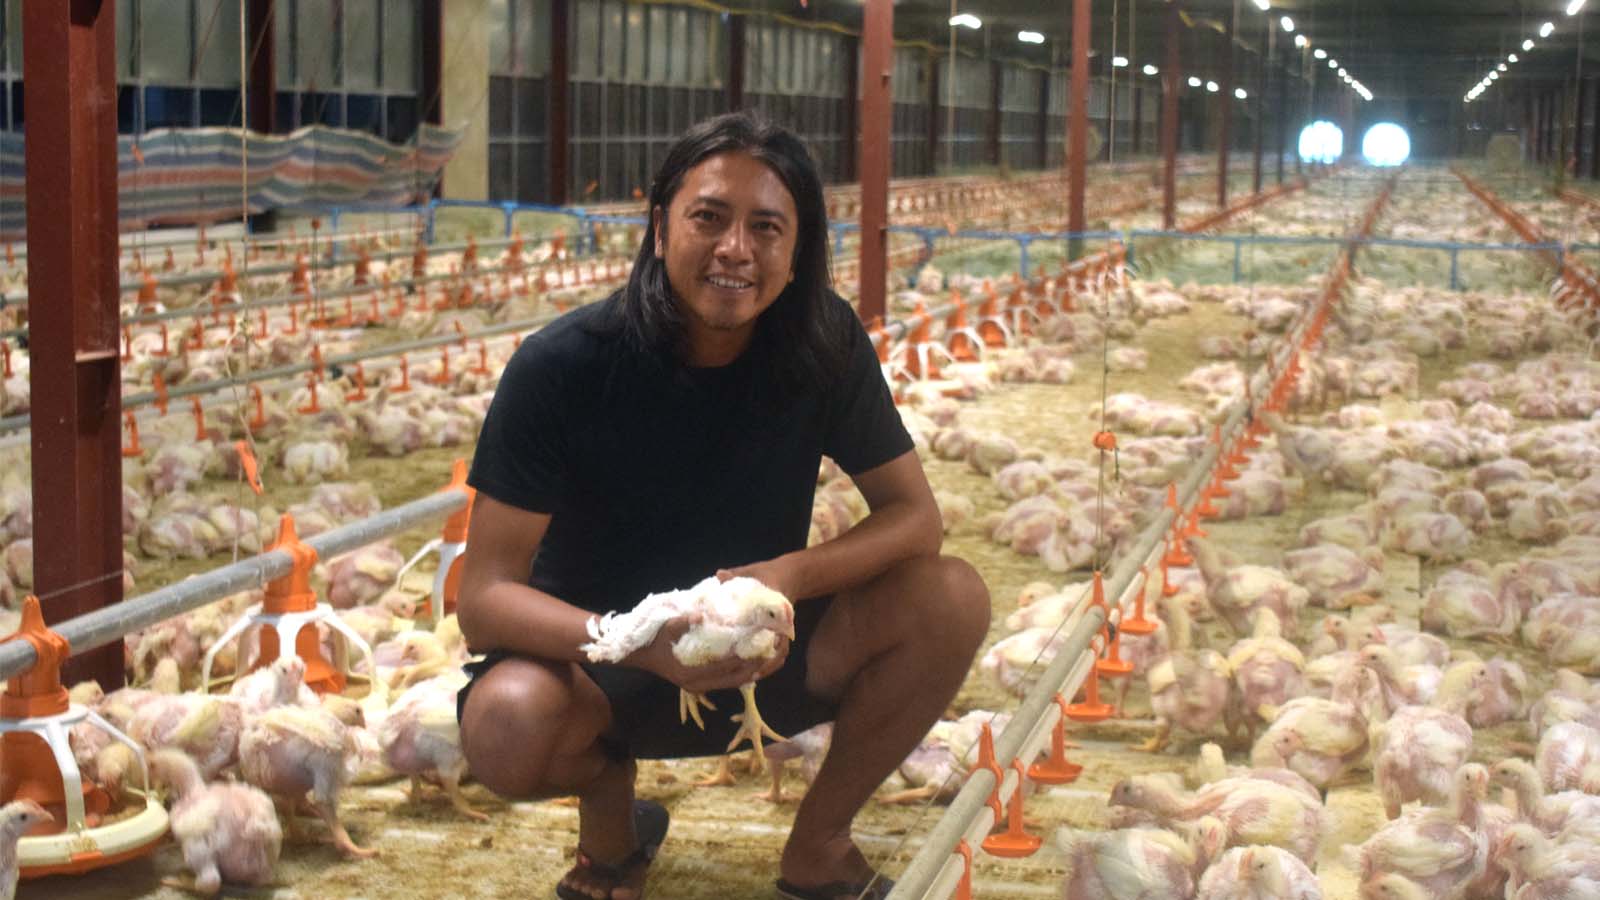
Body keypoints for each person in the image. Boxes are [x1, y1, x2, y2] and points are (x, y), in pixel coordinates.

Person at [456, 111, 990, 900]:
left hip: (758, 649)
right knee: (505, 722)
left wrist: (786, 576)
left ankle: (820, 844)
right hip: (598, 662)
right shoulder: (563, 365)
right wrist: (634, 641)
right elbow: (483, 599)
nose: (736, 249)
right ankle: (612, 822)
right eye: (709, 217)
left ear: (798, 248)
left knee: (952, 596)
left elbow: (916, 519)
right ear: (661, 224)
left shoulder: (823, 342)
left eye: (767, 227)